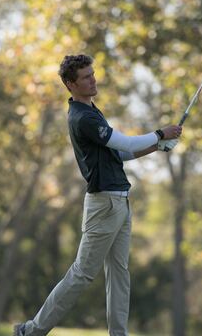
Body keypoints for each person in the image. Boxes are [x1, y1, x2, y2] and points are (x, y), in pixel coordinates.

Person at [14, 54, 182, 336]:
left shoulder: (92, 111)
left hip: (119, 201)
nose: (93, 80)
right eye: (86, 77)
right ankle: (31, 331)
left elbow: (121, 153)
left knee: (119, 273)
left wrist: (158, 146)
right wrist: (158, 133)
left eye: (93, 74)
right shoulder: (82, 118)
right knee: (82, 273)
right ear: (70, 84)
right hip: (104, 204)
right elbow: (125, 141)